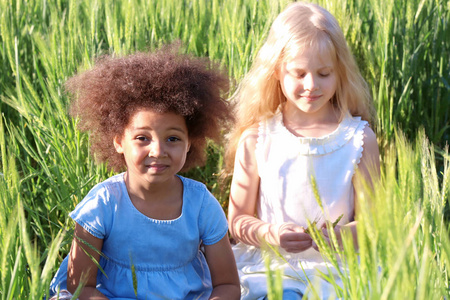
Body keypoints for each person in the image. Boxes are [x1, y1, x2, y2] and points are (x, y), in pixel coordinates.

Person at [49, 44, 240, 299]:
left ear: (190, 142)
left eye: (173, 139)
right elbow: (81, 287)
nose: (158, 150)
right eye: (142, 138)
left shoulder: (201, 205)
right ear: (118, 141)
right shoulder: (103, 205)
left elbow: (227, 286)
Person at [226, 2, 380, 299]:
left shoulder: (359, 139)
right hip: (271, 266)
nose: (311, 85)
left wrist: (343, 236)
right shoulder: (258, 137)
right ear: (276, 71)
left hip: (338, 268)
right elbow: (237, 220)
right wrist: (272, 234)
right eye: (299, 74)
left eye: (324, 74)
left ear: (340, 72)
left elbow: (372, 223)